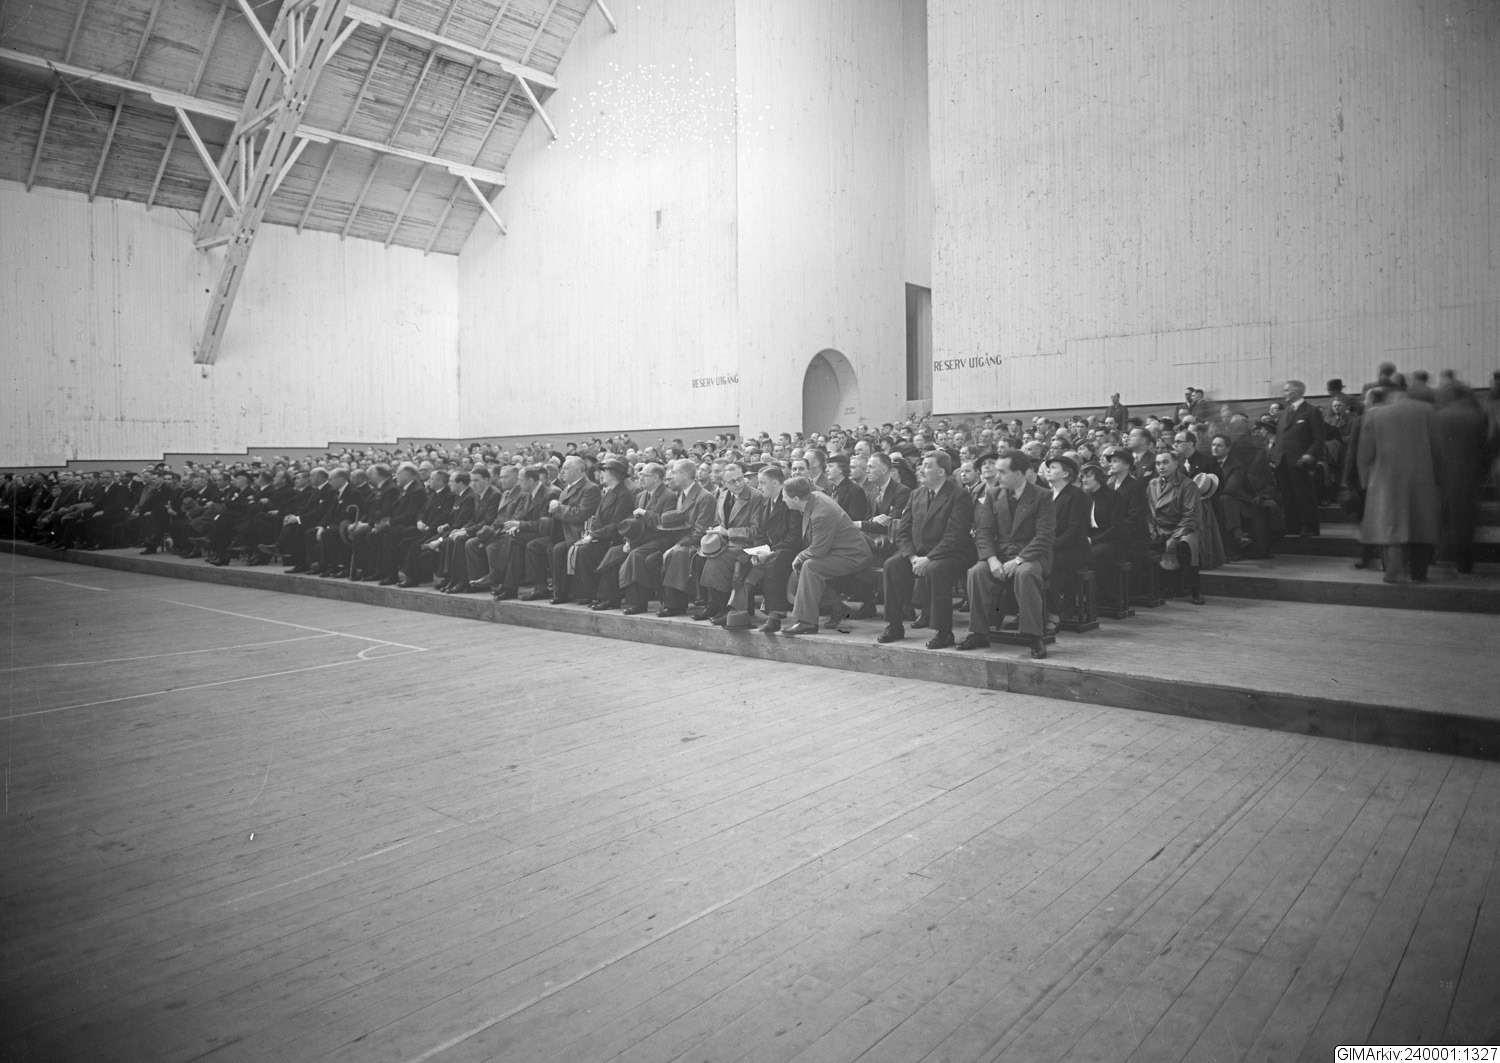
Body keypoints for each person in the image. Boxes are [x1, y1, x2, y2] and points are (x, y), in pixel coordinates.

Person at [957, 450, 1054, 659]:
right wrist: (991, 560)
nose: (996, 475)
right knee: (976, 572)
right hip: (999, 555)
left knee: (1025, 573)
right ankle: (979, 633)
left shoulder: (1042, 495)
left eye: (1002, 472)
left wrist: (1018, 560)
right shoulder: (994, 495)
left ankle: (1034, 636)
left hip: (1031, 556)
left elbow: (1044, 537)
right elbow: (983, 532)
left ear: (1018, 474)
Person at [877, 451, 976, 649]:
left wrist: (928, 559)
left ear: (941, 471)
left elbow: (955, 536)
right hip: (919, 555)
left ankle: (944, 632)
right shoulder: (916, 494)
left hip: (951, 554)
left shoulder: (959, 496)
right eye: (922, 465)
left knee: (936, 569)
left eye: (927, 466)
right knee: (892, 565)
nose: (921, 470)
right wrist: (912, 557)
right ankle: (894, 625)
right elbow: (903, 532)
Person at [1357, 387, 1444, 582]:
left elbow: (1365, 453)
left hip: (1385, 479)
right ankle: (1419, 573)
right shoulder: (1427, 410)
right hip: (1422, 477)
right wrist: (1439, 476)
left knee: (1391, 525)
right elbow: (1437, 448)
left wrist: (1364, 479)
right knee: (1420, 525)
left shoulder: (1375, 414)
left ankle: (1392, 569)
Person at [779, 476, 874, 635]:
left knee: (810, 567)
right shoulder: (814, 498)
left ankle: (807, 622)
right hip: (839, 551)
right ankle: (837, 607)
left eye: (784, 496)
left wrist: (799, 557)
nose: (783, 499)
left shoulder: (821, 513)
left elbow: (818, 550)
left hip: (853, 555)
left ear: (796, 499)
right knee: (808, 566)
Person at [523, 455, 601, 601]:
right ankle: (540, 587)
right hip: (560, 532)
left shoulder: (590, 488)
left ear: (578, 471)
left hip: (577, 533)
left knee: (557, 549)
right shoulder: (566, 489)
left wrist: (558, 508)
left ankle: (561, 592)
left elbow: (580, 514)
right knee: (533, 546)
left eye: (566, 468)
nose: (562, 471)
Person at [694, 462, 765, 622]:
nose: (738, 484)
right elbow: (719, 522)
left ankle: (724, 608)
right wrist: (715, 530)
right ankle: (712, 604)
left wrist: (727, 532)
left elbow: (755, 531)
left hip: (749, 545)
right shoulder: (723, 495)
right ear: (724, 483)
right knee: (701, 555)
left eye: (740, 479)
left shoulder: (755, 496)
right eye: (732, 482)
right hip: (727, 543)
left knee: (718, 558)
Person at [1146, 451, 1205, 603]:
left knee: (1186, 543)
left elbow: (1190, 515)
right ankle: (1158, 588)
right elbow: (1148, 513)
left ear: (1176, 463)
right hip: (1159, 529)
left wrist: (1175, 537)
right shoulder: (1152, 484)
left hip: (1183, 528)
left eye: (1165, 462)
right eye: (1158, 463)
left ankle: (1195, 590)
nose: (1161, 466)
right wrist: (1151, 529)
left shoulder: (1188, 485)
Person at [1270, 379, 1327, 537]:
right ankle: (1292, 526)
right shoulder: (1284, 413)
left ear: (1297, 392)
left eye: (1287, 390)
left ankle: (1310, 527)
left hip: (1300, 461)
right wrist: (1276, 458)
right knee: (1287, 496)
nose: (1284, 393)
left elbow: (1319, 438)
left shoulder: (1311, 411)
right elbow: (1280, 438)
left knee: (1304, 495)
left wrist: (1310, 454)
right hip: (1282, 461)